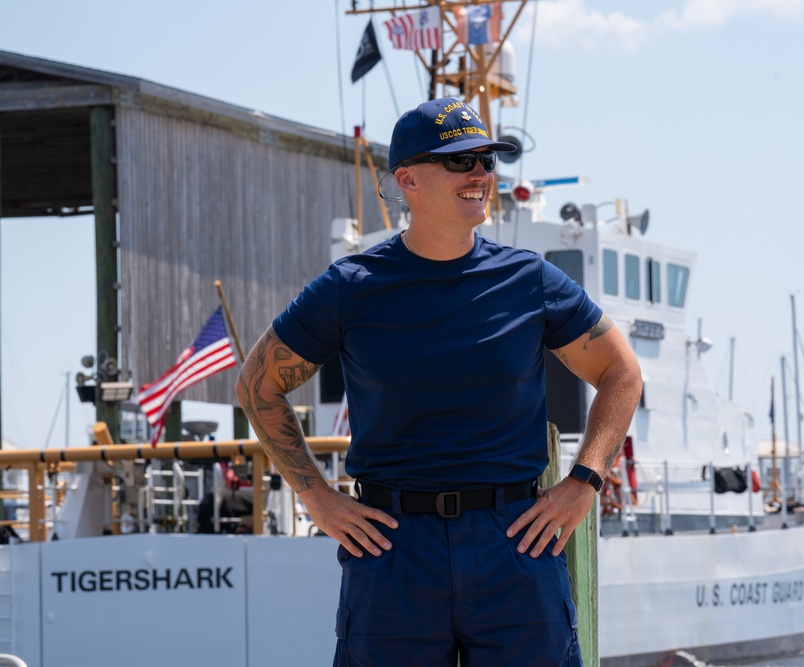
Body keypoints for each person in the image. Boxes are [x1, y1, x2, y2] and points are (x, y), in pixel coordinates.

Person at [236, 97, 642, 666]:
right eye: (459, 161)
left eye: (486, 160)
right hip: (393, 549)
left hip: (516, 544)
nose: (480, 173)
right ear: (408, 180)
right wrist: (316, 498)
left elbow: (622, 372)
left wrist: (584, 481)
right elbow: (257, 384)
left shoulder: (529, 280)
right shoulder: (351, 287)